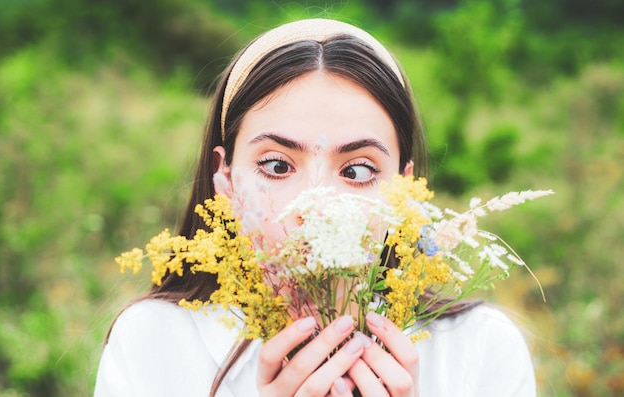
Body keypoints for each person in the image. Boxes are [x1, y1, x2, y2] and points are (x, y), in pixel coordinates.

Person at [94, 18, 536, 397]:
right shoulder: (154, 342)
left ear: (406, 190)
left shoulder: (481, 350)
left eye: (358, 171)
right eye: (276, 165)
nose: (318, 210)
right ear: (223, 180)